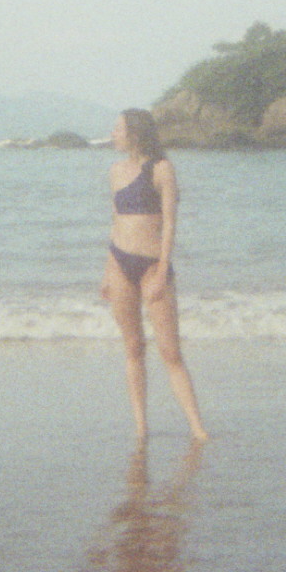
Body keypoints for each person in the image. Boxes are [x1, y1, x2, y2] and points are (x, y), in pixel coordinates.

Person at [102, 109, 209, 441]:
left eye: (118, 129)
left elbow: (169, 225)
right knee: (133, 347)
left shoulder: (162, 169)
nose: (113, 134)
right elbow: (116, 221)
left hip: (151, 267)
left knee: (170, 352)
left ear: (135, 133)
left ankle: (197, 427)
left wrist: (162, 271)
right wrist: (107, 271)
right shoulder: (115, 171)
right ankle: (141, 427)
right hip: (119, 263)